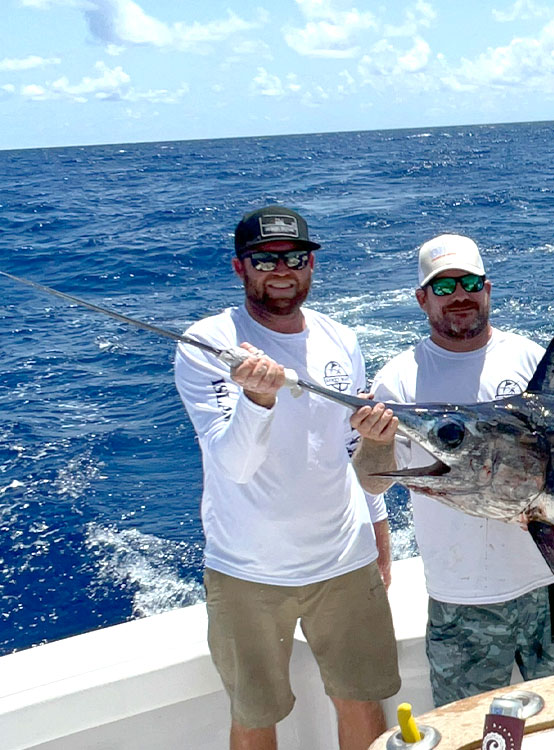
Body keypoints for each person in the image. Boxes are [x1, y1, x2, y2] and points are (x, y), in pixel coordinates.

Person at [174, 206, 400, 750]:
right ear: (239, 267)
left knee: (361, 699)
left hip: (345, 561)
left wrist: (380, 530)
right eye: (265, 259)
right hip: (247, 571)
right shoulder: (207, 344)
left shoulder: (341, 338)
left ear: (311, 265)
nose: (282, 269)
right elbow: (234, 463)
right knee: (255, 715)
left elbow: (350, 450)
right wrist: (257, 398)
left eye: (295, 257)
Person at [350, 233, 554, 707]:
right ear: (422, 299)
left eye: (469, 283)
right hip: (461, 602)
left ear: (487, 288)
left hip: (549, 585)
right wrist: (374, 441)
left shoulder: (530, 360)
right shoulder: (397, 379)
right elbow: (371, 479)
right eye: (443, 288)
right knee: (469, 734)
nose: (459, 296)